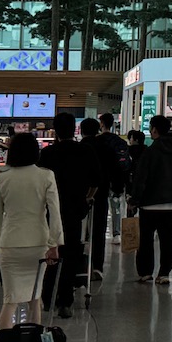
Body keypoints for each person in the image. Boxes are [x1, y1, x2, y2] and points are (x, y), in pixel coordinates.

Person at [0, 133, 62, 330]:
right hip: (38, 243)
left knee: (10, 300)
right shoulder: (46, 176)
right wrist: (54, 243)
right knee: (35, 298)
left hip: (10, 243)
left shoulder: (3, 178)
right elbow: (54, 213)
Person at [37, 113, 102, 318]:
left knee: (51, 252)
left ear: (55, 130)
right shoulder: (85, 151)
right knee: (72, 254)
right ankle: (65, 301)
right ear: (74, 129)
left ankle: (47, 298)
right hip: (76, 209)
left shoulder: (48, 154)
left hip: (50, 210)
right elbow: (96, 181)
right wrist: (88, 198)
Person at [127, 115, 172, 285]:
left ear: (154, 129)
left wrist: (134, 199)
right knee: (168, 240)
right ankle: (164, 273)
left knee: (146, 239)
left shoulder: (150, 152)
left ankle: (145, 272)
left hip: (150, 204)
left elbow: (141, 179)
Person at [78, 118, 116, 278]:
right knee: (98, 231)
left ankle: (78, 265)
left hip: (78, 195)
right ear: (98, 129)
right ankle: (97, 267)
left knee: (77, 231)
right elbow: (115, 169)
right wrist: (118, 188)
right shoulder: (106, 147)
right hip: (101, 193)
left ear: (81, 131)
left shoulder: (79, 148)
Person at [96, 113, 132, 241]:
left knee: (99, 207)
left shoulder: (97, 141)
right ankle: (116, 234)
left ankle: (96, 233)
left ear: (102, 124)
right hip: (117, 179)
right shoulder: (120, 142)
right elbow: (126, 164)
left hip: (100, 180)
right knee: (116, 207)